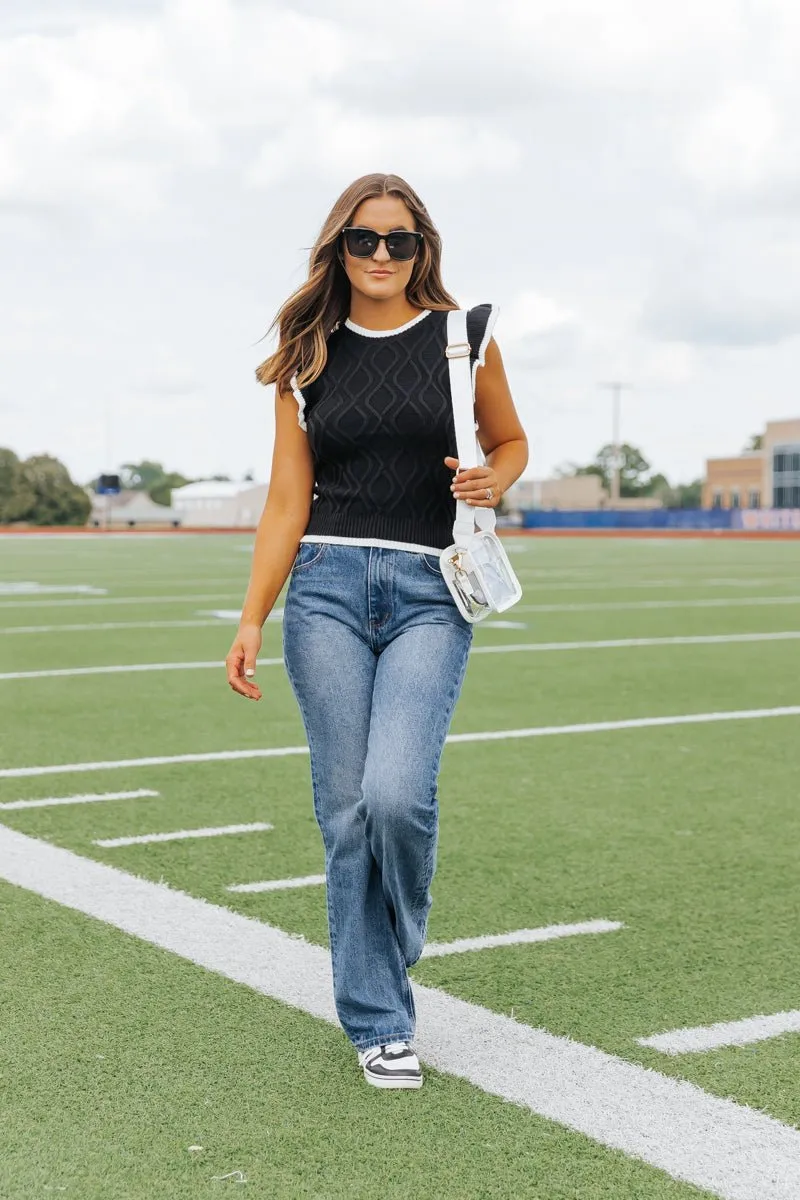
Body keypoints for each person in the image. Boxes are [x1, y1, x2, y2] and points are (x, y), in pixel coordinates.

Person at [226, 173, 528, 1089]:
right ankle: (378, 1019)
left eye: (400, 240)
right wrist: (252, 615)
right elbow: (287, 499)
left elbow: (509, 441)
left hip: (432, 589)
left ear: (423, 247)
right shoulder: (306, 350)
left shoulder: (463, 338)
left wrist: (496, 482)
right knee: (346, 812)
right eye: (366, 241)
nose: (384, 256)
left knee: (397, 797)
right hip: (323, 588)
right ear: (339, 249)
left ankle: (393, 941)